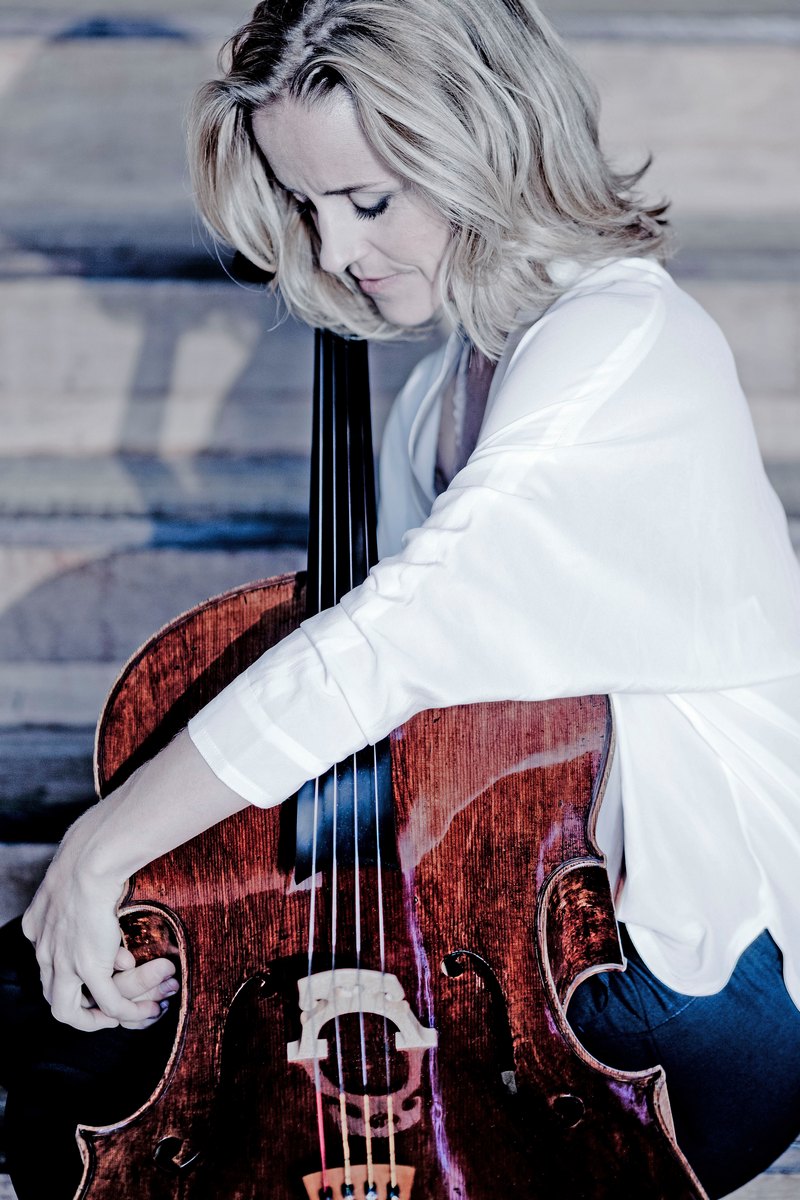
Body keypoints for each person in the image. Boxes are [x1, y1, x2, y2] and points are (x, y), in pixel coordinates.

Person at [3, 1, 800, 1196]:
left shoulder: (622, 342)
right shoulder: (436, 394)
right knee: (43, 1012)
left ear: (486, 144)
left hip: (689, 984)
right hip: (527, 916)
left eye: (368, 202)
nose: (331, 252)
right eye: (305, 205)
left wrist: (103, 846)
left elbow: (392, 645)